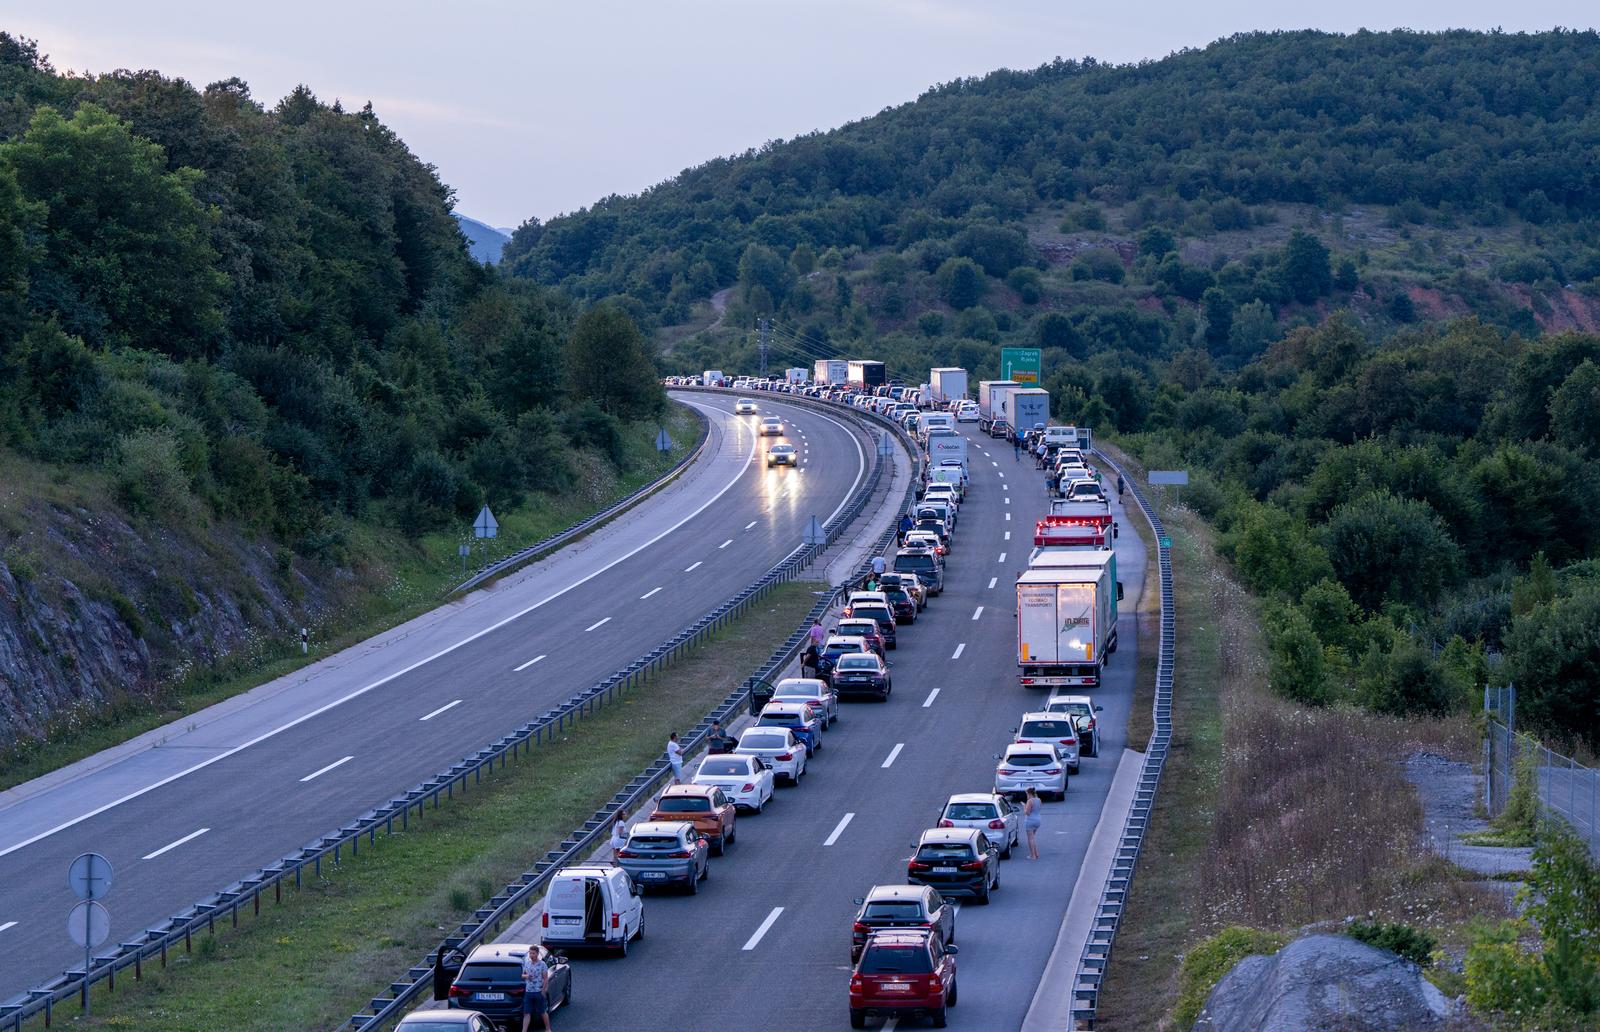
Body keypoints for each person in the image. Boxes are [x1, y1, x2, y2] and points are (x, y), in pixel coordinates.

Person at [520, 944, 552, 1032]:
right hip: (529, 991)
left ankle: (548, 1029)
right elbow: (522, 975)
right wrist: (527, 976)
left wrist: (544, 990)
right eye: (530, 953)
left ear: (537, 954)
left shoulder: (542, 964)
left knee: (542, 1011)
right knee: (526, 1013)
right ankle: (524, 1030)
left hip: (538, 991)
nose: (531, 955)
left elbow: (545, 978)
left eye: (533, 953)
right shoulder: (527, 963)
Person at [1022, 787, 1043, 860]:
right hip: (1038, 820)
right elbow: (1039, 808)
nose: (1026, 795)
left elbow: (1027, 813)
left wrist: (1024, 807)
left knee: (1030, 838)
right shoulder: (1039, 800)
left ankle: (1032, 855)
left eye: (1027, 794)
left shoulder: (1030, 801)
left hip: (1030, 820)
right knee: (1033, 837)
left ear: (1029, 793)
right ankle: (1036, 853)